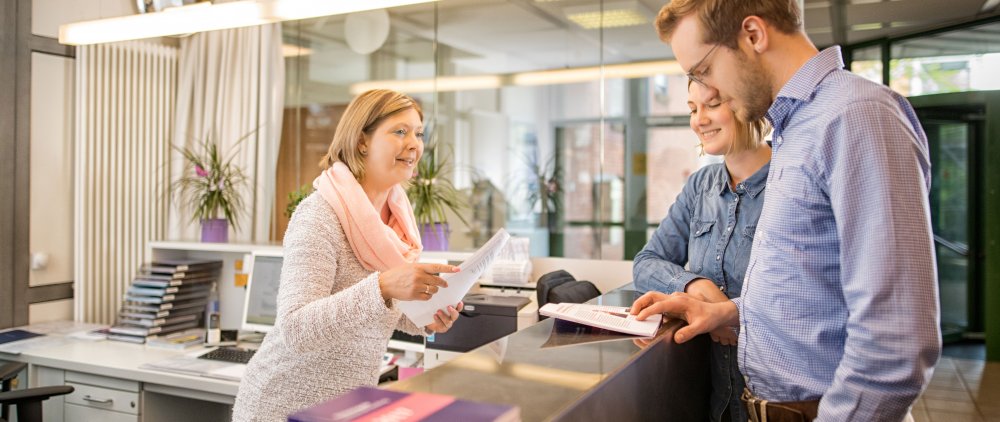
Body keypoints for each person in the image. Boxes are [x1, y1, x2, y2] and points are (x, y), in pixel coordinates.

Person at [631, 1, 940, 421]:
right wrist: (726, 312)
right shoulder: (796, 129)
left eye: (703, 71)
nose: (707, 91)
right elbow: (812, 292)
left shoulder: (856, 116)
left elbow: (895, 345)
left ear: (753, 35)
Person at [232, 89, 464, 422]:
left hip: (345, 407)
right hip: (282, 406)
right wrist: (382, 286)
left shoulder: (397, 221)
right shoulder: (319, 215)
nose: (414, 144)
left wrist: (424, 318)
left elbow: (376, 311)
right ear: (361, 142)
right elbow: (296, 329)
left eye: (418, 133)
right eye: (400, 131)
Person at [634, 80, 770, 422]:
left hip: (771, 398)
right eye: (693, 109)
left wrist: (729, 314)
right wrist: (698, 288)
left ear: (748, 103)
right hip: (714, 395)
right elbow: (646, 263)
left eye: (712, 104)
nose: (699, 120)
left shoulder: (789, 180)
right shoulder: (702, 185)